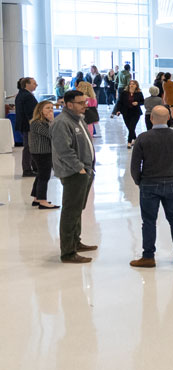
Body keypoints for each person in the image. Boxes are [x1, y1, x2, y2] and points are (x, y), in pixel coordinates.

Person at [128, 106, 173, 268]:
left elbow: (135, 166)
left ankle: (148, 256)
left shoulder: (143, 138)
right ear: (169, 117)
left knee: (149, 221)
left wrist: (139, 181)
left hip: (149, 183)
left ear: (151, 119)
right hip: (171, 183)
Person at [51, 89, 98, 263]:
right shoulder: (62, 123)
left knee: (78, 209)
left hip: (84, 171)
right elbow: (64, 150)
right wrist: (79, 168)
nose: (85, 106)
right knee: (71, 211)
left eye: (85, 102)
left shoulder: (78, 119)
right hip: (73, 173)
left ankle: (75, 242)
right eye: (81, 103)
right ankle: (68, 252)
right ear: (69, 104)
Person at [27, 100, 59, 209]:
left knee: (40, 175)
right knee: (44, 176)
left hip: (44, 152)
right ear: (40, 110)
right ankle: (42, 200)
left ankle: (37, 197)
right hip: (41, 152)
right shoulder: (37, 123)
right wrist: (52, 121)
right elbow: (51, 134)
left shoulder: (44, 122)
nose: (50, 110)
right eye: (47, 108)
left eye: (51, 108)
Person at [15, 76, 38, 177]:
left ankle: (33, 167)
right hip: (28, 125)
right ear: (27, 84)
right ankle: (27, 170)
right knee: (29, 147)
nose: (36, 85)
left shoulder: (21, 94)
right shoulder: (27, 96)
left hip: (24, 125)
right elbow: (30, 112)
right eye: (34, 83)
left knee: (30, 147)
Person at [115, 79, 145, 148]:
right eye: (130, 84)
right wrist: (118, 110)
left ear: (136, 86)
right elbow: (119, 102)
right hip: (126, 112)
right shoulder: (124, 93)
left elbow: (143, 102)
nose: (131, 85)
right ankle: (135, 139)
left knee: (132, 127)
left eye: (133, 84)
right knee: (129, 127)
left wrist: (137, 103)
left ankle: (129, 142)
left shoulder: (139, 93)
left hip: (136, 112)